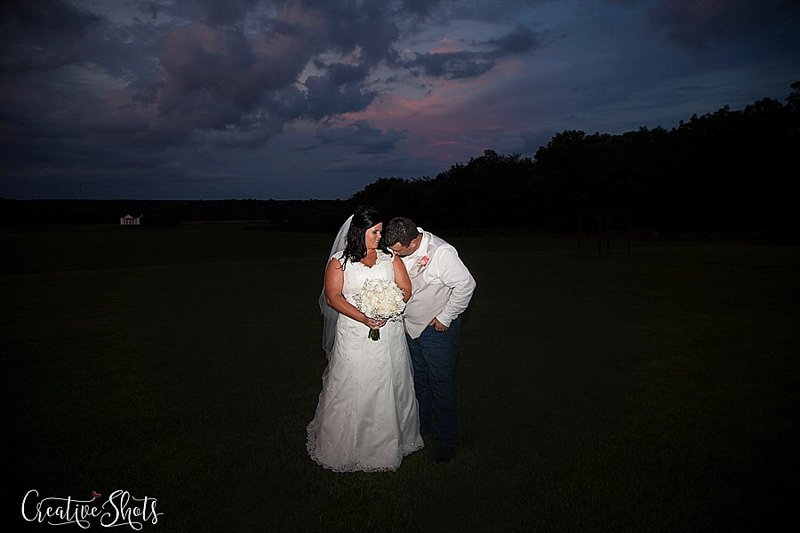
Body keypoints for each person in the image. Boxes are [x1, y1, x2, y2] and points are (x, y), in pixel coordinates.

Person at [306, 206, 424, 472]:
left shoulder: (389, 258)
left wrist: (390, 306)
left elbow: (406, 289)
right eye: (374, 232)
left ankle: (392, 441)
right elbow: (333, 297)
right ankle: (346, 444)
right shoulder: (340, 262)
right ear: (359, 232)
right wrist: (364, 317)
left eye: (380, 231)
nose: (379, 237)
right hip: (355, 333)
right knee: (355, 381)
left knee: (390, 381)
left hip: (389, 334)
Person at [382, 217, 476, 463]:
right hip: (409, 328)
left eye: (397, 251)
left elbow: (466, 285)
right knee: (418, 381)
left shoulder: (441, 253)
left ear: (413, 241)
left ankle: (446, 440)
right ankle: (422, 429)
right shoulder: (397, 246)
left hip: (436, 331)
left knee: (441, 385)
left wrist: (445, 317)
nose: (393, 255)